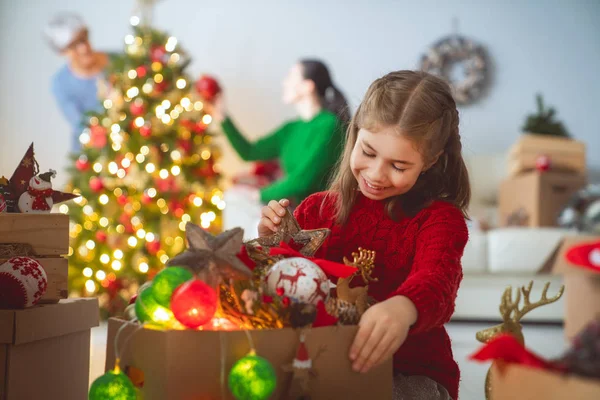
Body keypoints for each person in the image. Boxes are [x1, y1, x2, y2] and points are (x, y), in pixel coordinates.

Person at [258, 70, 470, 400]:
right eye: (368, 153)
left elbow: (438, 279)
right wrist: (272, 240)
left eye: (398, 166)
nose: (375, 174)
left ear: (429, 162)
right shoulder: (316, 210)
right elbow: (289, 283)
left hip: (410, 376)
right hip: (321, 366)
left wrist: (404, 307)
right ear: (355, 134)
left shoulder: (440, 220)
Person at [207, 59, 349, 207]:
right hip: (298, 211)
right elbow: (249, 152)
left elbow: (302, 180)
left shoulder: (329, 125)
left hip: (322, 215)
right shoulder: (291, 129)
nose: (284, 82)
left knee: (243, 204)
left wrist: (258, 195)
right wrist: (222, 116)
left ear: (308, 86)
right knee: (236, 199)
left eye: (290, 77)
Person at [44, 13, 109, 152]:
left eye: (83, 39)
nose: (83, 48)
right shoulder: (61, 84)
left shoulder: (116, 61)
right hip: (94, 156)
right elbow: (81, 125)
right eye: (73, 45)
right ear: (62, 51)